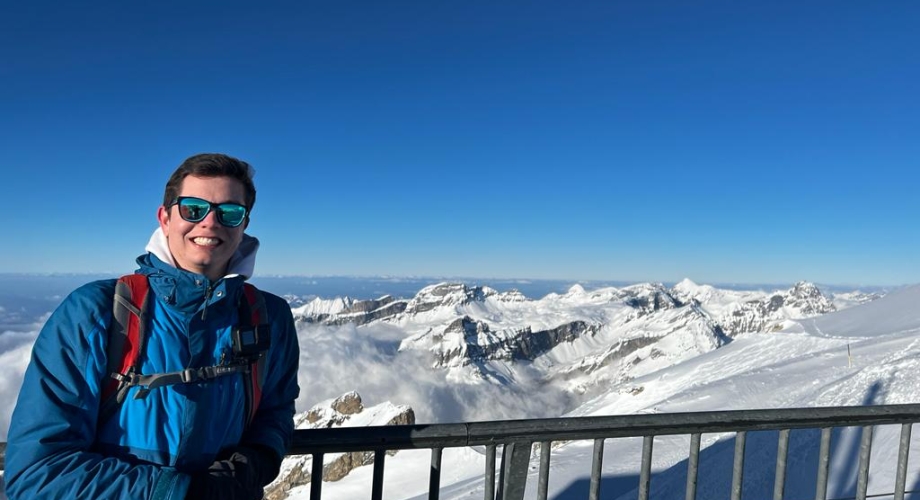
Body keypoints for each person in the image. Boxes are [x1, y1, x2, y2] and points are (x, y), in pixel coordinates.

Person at [4, 153, 300, 499]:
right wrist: (177, 492)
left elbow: (275, 411)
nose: (210, 222)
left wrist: (254, 462)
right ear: (165, 218)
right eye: (193, 208)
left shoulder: (269, 316)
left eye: (229, 213)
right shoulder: (95, 311)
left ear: (244, 225)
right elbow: (37, 471)